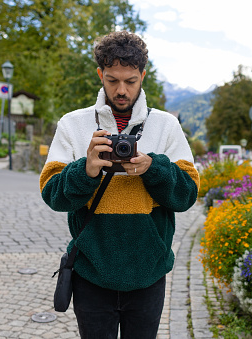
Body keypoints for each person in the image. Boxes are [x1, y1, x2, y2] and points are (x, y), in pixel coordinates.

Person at [39, 30, 199, 338]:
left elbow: (187, 194)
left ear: (143, 74)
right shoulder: (73, 124)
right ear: (100, 74)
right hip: (91, 274)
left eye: (130, 81)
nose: (122, 90)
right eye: (112, 80)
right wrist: (84, 170)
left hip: (148, 274)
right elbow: (52, 194)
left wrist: (154, 168)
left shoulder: (166, 125)